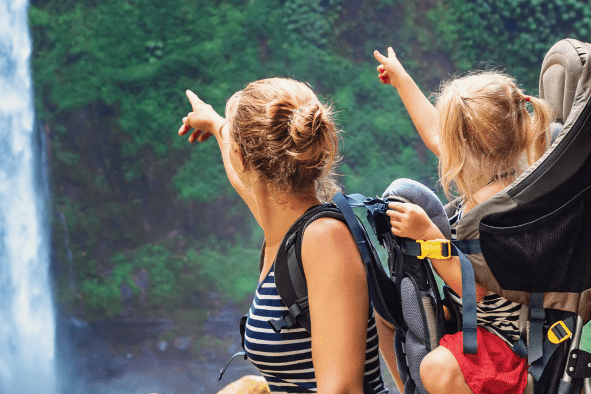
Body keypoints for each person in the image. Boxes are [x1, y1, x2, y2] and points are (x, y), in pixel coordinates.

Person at [178, 78, 388, 394]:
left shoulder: (324, 239)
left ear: (243, 157)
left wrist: (226, 132)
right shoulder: (282, 227)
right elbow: (241, 177)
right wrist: (215, 123)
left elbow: (341, 389)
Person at [374, 47, 554, 394]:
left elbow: (475, 288)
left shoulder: (500, 210)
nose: (442, 148)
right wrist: (402, 80)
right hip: (477, 325)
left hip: (504, 345)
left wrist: (427, 234)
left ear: (464, 149)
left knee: (435, 368)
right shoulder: (494, 176)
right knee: (389, 313)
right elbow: (434, 133)